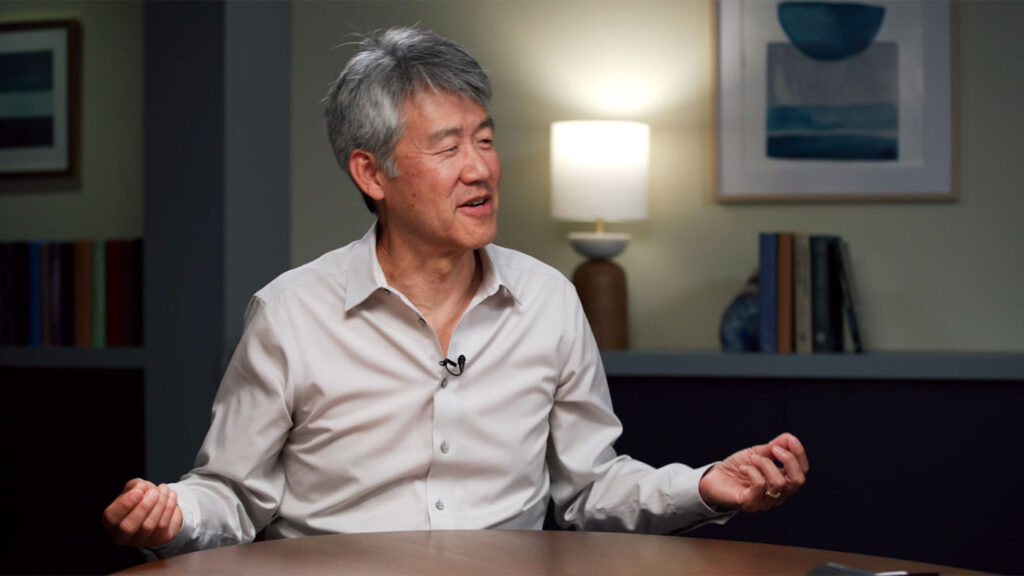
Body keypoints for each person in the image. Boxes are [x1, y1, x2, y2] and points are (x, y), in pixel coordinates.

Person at [103, 26, 808, 555]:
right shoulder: (291, 312)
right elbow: (231, 495)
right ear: (371, 174)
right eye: (448, 147)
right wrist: (172, 514)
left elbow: (591, 488)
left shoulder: (549, 300)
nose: (480, 170)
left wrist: (704, 484)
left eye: (485, 141)